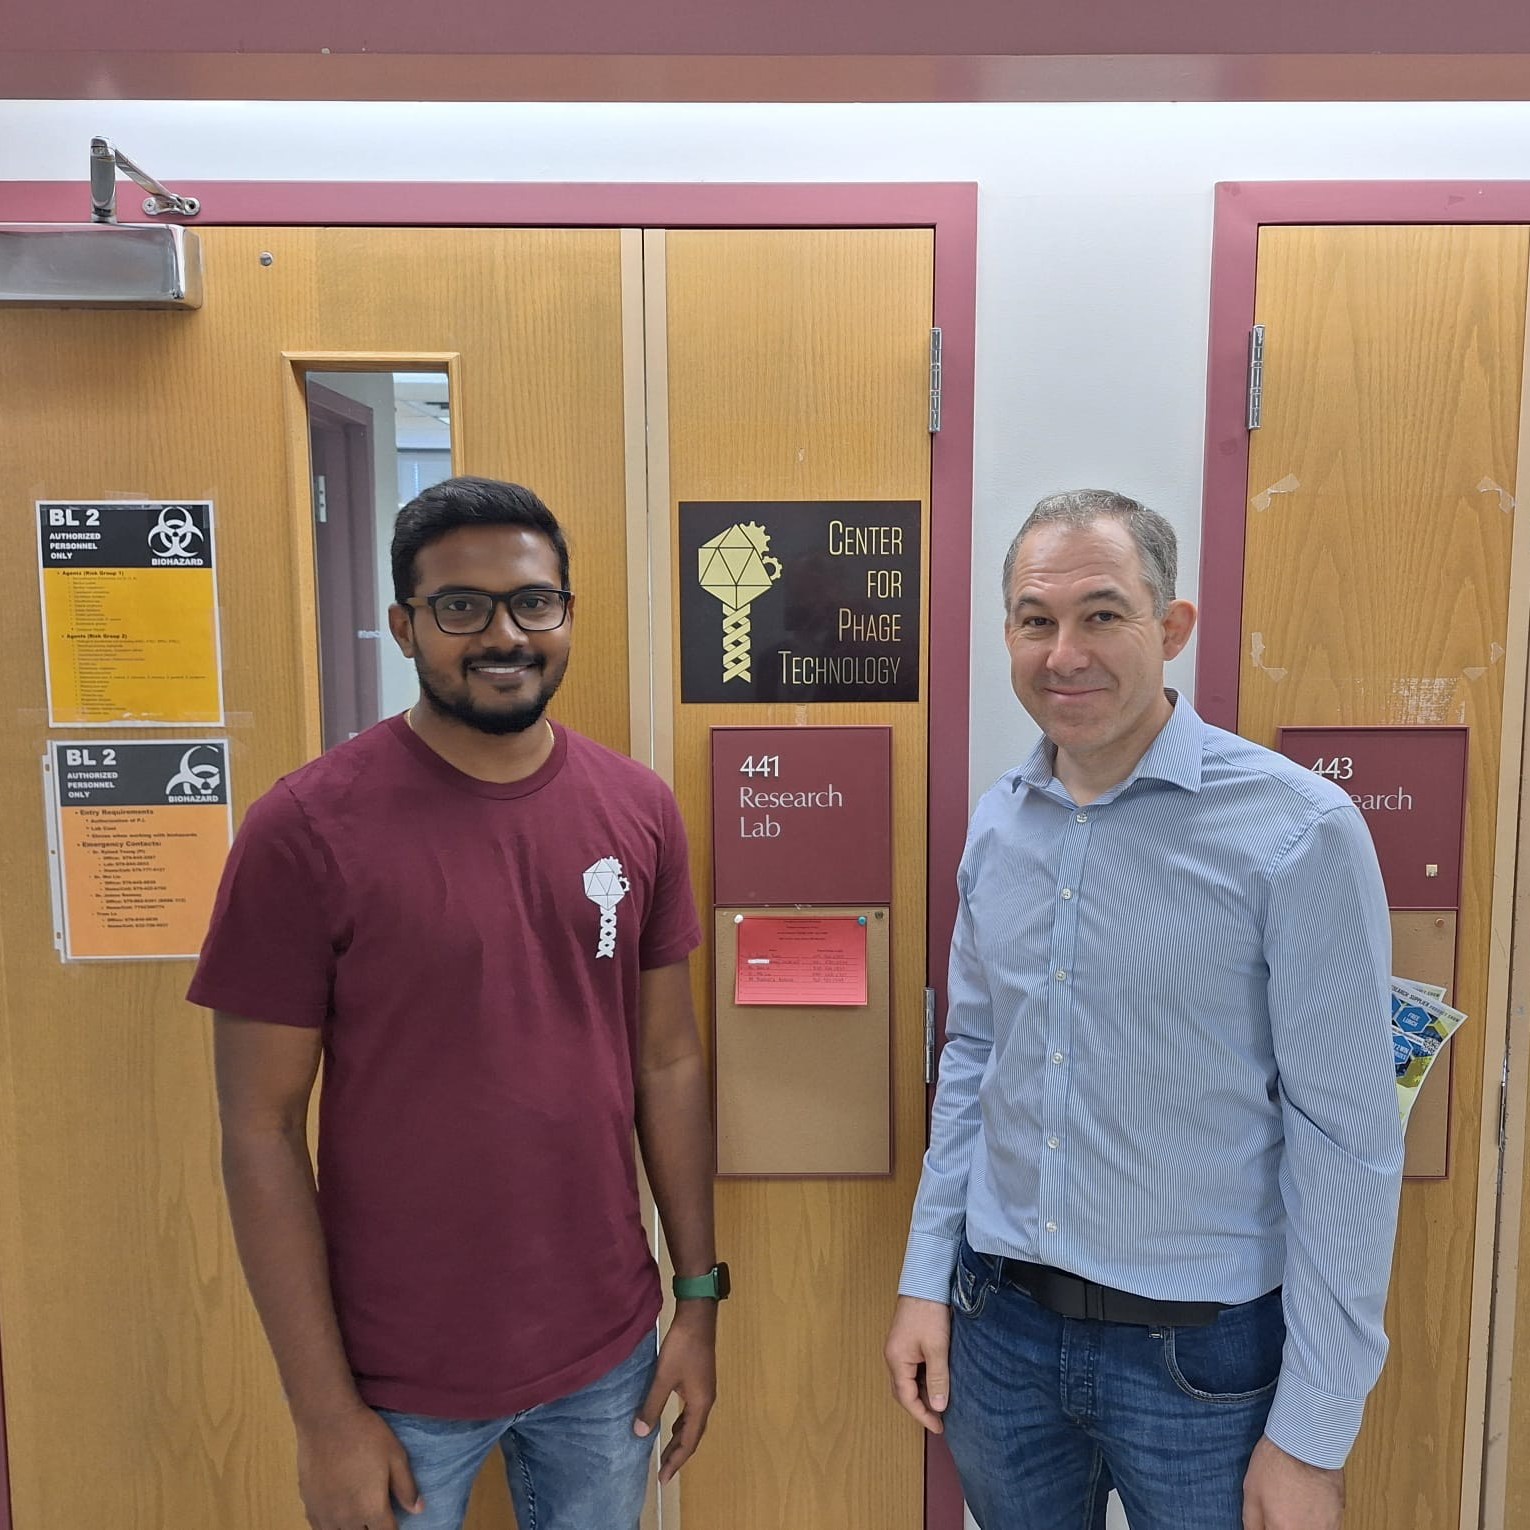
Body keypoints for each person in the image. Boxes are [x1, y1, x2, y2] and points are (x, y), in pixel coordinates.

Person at [191, 476, 726, 1530]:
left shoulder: (637, 809)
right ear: (405, 627)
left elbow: (667, 1061)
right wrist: (323, 1416)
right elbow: (258, 1129)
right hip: (392, 1381)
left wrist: (697, 1302)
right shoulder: (304, 831)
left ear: (566, 613)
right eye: (461, 607)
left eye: (533, 602)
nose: (504, 635)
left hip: (607, 1357)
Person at [884, 489, 1402, 1530]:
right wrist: (925, 1279)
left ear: (1171, 628)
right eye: (1036, 620)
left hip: (1204, 1362)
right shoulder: (1001, 823)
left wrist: (1314, 1433)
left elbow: (1349, 1143)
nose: (1064, 653)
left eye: (1102, 614)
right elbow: (976, 1057)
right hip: (1001, 1334)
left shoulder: (1297, 832)